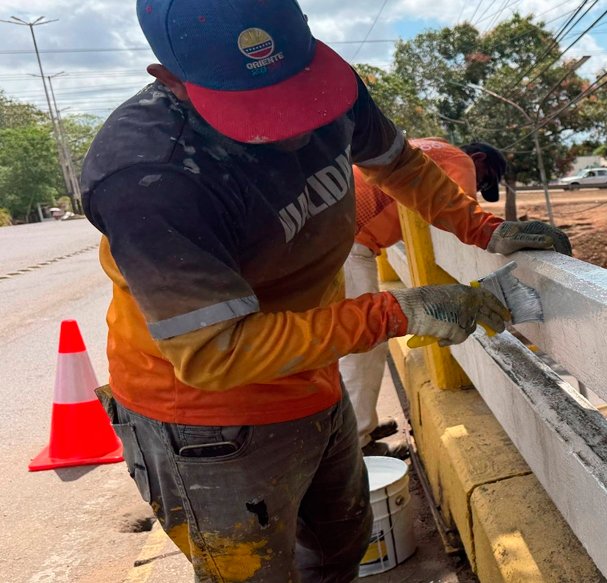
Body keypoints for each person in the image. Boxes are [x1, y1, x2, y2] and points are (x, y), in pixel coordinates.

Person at [81, 0, 570, 581]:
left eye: (296, 92)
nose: (293, 130)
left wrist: (484, 227)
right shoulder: (149, 176)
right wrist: (398, 311)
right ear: (171, 81)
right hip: (207, 419)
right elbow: (214, 351)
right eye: (255, 108)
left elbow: (400, 164)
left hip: (309, 369)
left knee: (341, 548)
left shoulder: (325, 85)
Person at [346, 139, 512, 457]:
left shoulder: (429, 149)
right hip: (348, 243)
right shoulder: (460, 160)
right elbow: (462, 216)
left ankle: (355, 427)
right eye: (484, 179)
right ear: (476, 158)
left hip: (339, 235)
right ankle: (356, 442)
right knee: (362, 344)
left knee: (359, 342)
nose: (479, 186)